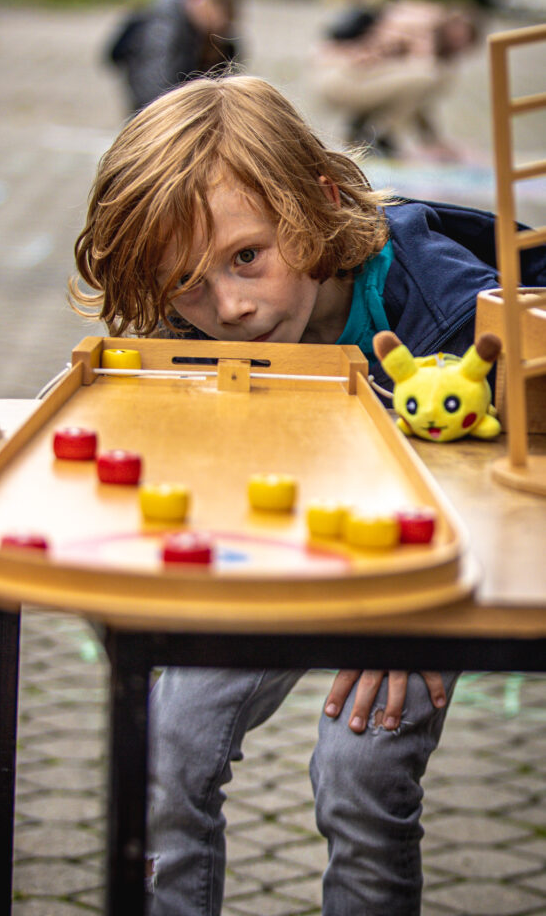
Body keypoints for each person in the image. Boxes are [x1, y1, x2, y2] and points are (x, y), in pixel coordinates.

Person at [70, 74, 546, 915]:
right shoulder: (206, 318)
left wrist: (424, 615)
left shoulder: (444, 300)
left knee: (358, 769)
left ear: (314, 202)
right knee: (165, 741)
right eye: (187, 282)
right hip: (318, 524)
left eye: (247, 256)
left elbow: (518, 492)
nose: (230, 306)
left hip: (447, 551)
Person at [312, 0, 481, 160]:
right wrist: (425, 36)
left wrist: (432, 140)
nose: (459, 42)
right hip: (339, 78)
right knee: (427, 76)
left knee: (427, 78)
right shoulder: (420, 27)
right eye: (460, 34)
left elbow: (415, 101)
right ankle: (377, 135)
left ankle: (366, 130)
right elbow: (420, 76)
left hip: (353, 79)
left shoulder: (437, 51)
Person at [105, 0, 243, 113]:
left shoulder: (213, 34)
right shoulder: (165, 30)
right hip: (158, 116)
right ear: (205, 3)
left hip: (184, 112)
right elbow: (153, 90)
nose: (221, 26)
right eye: (219, 18)